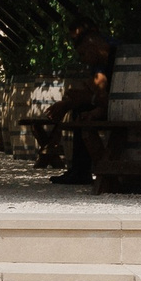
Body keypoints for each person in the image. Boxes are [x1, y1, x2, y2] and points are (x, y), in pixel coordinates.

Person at [42, 21, 116, 185]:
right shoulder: (102, 62)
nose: (83, 60)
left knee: (82, 108)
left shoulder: (117, 57)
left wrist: (81, 103)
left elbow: (106, 94)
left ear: (92, 45)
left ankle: (84, 171)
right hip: (114, 105)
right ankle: (80, 170)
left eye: (83, 54)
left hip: (125, 107)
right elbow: (96, 91)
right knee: (81, 110)